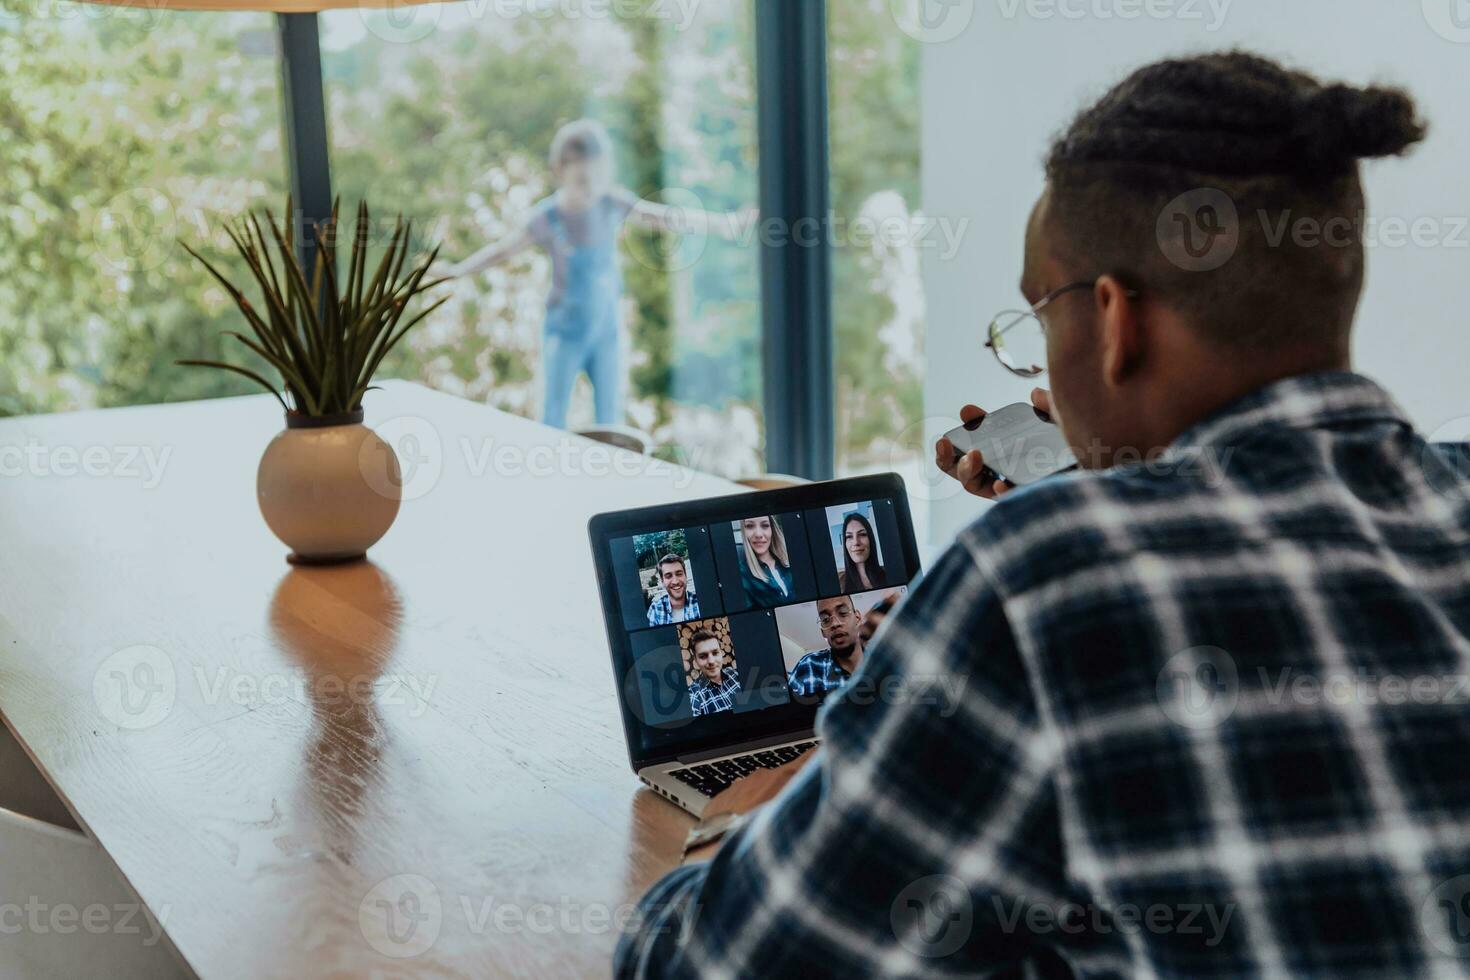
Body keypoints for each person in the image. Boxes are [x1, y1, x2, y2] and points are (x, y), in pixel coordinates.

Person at [617, 52, 1470, 977]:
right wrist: (1110, 486)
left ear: (1114, 323)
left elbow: (710, 965)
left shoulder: (1045, 576)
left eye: (1039, 316)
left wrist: (741, 819)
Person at [444, 118, 752, 430]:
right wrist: (457, 272)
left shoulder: (611, 204)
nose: (591, 188)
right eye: (581, 180)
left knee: (610, 419)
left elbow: (668, 218)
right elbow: (503, 250)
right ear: (560, 170)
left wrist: (723, 224)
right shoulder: (547, 218)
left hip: (606, 331)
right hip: (564, 333)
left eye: (598, 177)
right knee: (553, 415)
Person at [785, 595, 864, 700]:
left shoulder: (885, 659)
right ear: (823, 632)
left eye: (843, 613)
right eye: (825, 619)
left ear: (857, 618)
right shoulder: (809, 665)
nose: (835, 624)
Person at [735, 515, 794, 608]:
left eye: (765, 525)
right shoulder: (742, 576)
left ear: (772, 529)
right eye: (750, 526)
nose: (758, 534)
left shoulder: (790, 561)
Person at [685, 628, 740, 718]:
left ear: (721, 653)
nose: (711, 661)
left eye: (715, 653)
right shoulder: (694, 696)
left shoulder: (735, 674)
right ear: (695, 660)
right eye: (703, 656)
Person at [835, 512, 885, 592]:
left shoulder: (888, 573)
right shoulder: (839, 582)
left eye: (862, 534)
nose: (855, 542)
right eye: (849, 536)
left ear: (870, 539)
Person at [645, 554, 699, 626]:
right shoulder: (655, 609)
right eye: (668, 576)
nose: (675, 581)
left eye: (679, 574)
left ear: (685, 575)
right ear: (662, 581)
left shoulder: (699, 603)